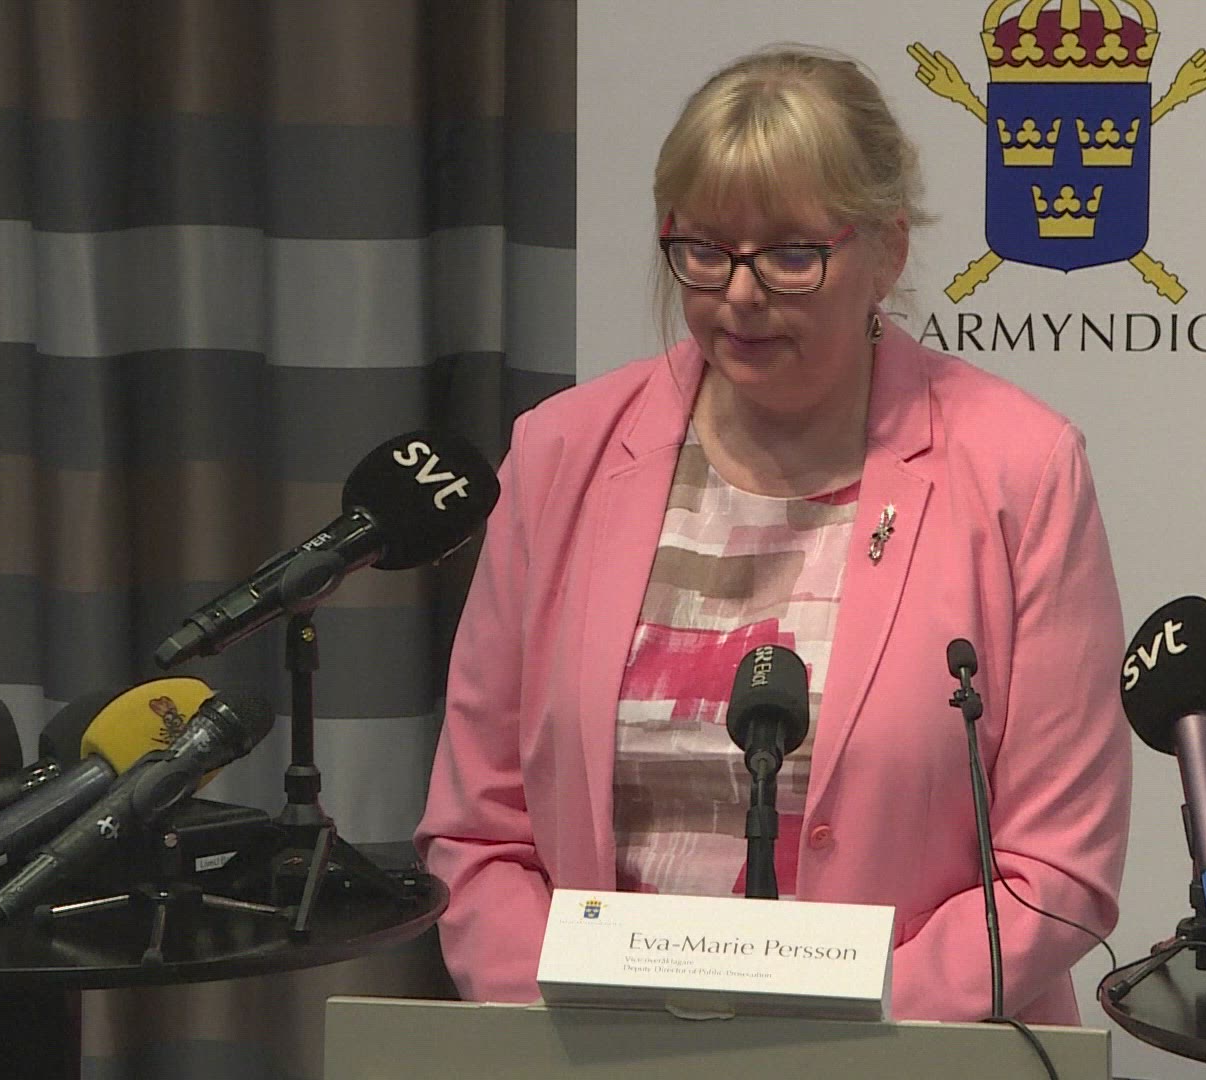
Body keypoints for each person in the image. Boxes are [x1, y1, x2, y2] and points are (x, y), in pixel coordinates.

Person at [415, 44, 1130, 1025]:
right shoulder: (560, 454)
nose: (740, 294)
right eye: (705, 250)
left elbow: (1057, 869)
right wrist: (570, 1015)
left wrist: (834, 1027)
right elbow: (478, 834)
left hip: (909, 1057)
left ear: (886, 251)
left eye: (792, 255)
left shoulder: (1020, 470)